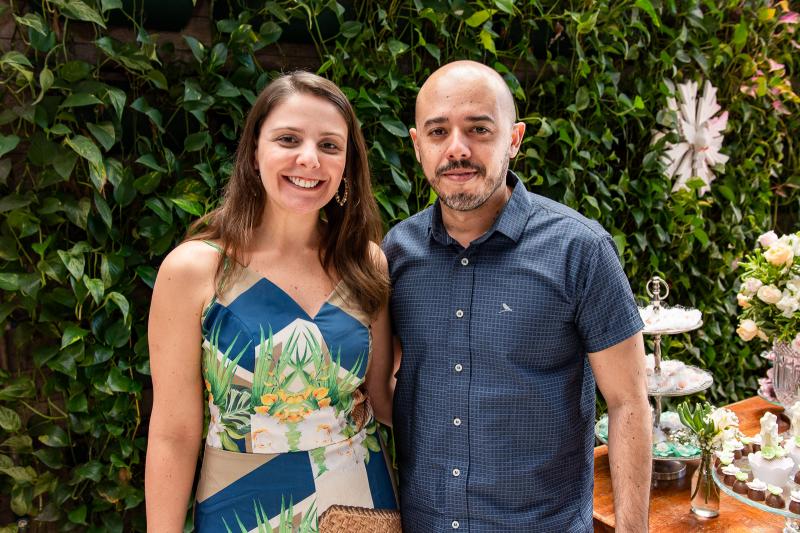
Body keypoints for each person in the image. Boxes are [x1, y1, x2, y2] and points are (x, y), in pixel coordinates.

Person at [382, 60, 651, 532]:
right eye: (439, 132)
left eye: (479, 129)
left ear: (514, 138)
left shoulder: (580, 250)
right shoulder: (397, 253)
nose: (457, 149)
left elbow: (628, 402)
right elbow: (386, 385)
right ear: (417, 145)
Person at [145, 71, 398, 532]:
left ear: (347, 165)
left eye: (329, 145)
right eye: (288, 139)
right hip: (239, 507)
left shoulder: (366, 262)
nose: (309, 159)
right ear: (253, 152)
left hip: (360, 501)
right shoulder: (195, 269)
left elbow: (382, 397)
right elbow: (174, 433)